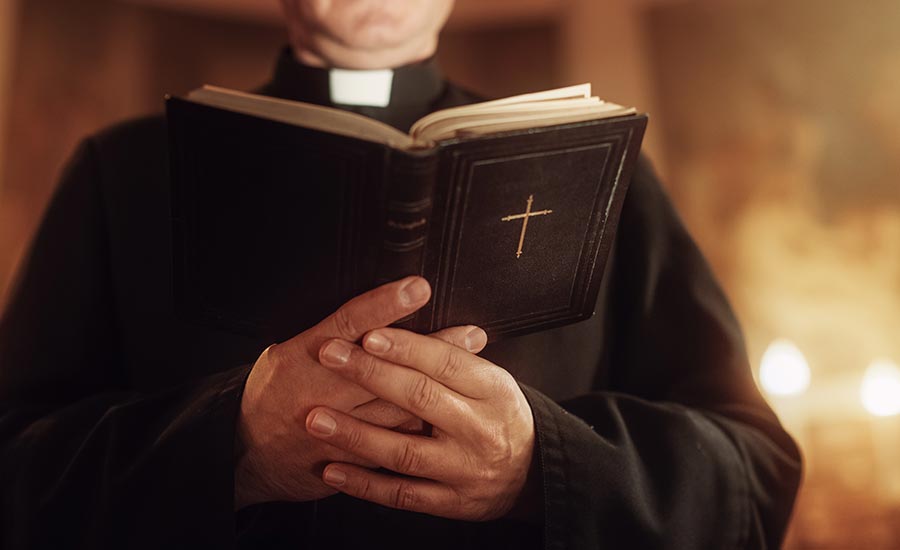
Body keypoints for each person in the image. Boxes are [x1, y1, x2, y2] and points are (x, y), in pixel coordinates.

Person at [0, 0, 801, 548]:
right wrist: (232, 445)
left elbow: (755, 474)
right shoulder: (125, 172)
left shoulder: (597, 174)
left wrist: (540, 468)